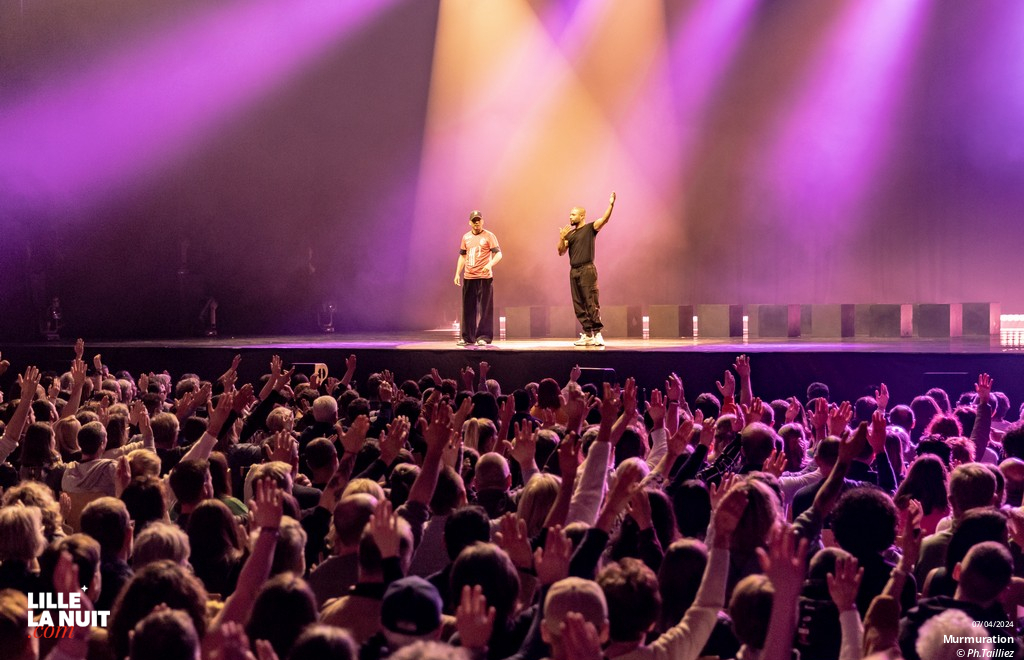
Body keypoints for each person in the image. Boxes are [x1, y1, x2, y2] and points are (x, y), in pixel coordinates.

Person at [557, 191, 615, 346]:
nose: (570, 217)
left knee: (591, 301)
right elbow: (561, 251)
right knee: (578, 304)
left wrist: (611, 205)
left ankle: (598, 333)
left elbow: (604, 220)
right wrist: (562, 237)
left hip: (587, 269)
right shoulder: (570, 234)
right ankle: (588, 334)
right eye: (570, 214)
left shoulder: (590, 228)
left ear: (582, 216)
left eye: (573, 214)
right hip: (574, 271)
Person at [454, 210, 502, 347]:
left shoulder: (489, 236)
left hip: (484, 277)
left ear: (482, 221)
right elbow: (462, 256)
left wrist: (489, 264)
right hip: (469, 277)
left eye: (478, 220)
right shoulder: (466, 237)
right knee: (468, 308)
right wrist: (457, 273)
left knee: (485, 308)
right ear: (470, 222)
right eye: (474, 220)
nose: (476, 223)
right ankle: (468, 337)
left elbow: (499, 254)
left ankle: (484, 336)